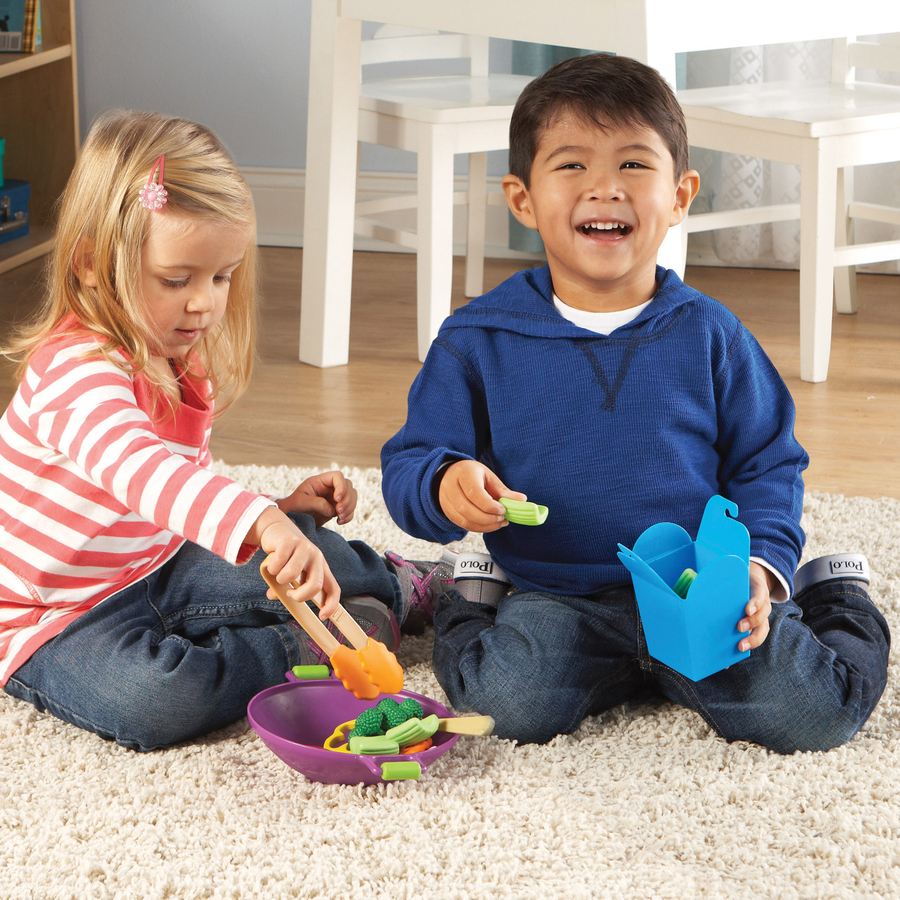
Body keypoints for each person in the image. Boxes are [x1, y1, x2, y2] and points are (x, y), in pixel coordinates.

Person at [381, 54, 890, 753]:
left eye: (632, 164)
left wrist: (759, 568)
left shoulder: (712, 334)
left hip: (697, 587)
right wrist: (444, 483)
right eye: (571, 165)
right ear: (522, 199)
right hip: (559, 594)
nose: (605, 188)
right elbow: (411, 460)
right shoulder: (476, 340)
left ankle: (834, 593)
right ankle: (470, 595)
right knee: (507, 706)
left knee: (811, 714)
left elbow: (769, 463)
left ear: (680, 195)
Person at [0, 110, 448, 751]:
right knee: (156, 700)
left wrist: (275, 512)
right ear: (93, 264)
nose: (205, 302)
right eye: (176, 280)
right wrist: (258, 522)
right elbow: (145, 472)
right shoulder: (75, 370)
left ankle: (405, 584)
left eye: (221, 276)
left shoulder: (178, 356)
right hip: (54, 615)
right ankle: (294, 647)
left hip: (159, 559)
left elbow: (188, 489)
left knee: (308, 554)